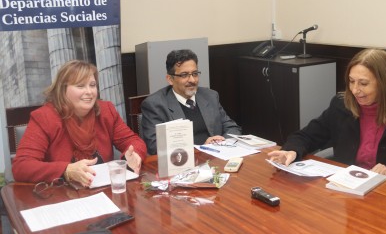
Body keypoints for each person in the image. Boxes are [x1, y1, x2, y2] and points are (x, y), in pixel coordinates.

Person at [269, 48, 386, 183]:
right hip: (346, 187)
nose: (355, 90)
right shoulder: (341, 105)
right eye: (351, 81)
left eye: (364, 83)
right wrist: (291, 150)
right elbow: (308, 135)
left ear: (383, 83)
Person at [12, 60, 147, 186]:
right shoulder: (45, 117)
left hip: (104, 191)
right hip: (63, 196)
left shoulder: (106, 111)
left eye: (92, 85)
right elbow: (21, 167)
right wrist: (66, 170)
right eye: (80, 86)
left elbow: (133, 141)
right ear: (63, 90)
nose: (89, 92)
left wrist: (134, 155)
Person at [141, 49, 242, 154]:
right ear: (170, 79)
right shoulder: (155, 105)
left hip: (217, 157)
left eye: (195, 74)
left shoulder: (210, 96)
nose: (192, 80)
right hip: (183, 164)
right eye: (184, 75)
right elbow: (155, 147)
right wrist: (202, 148)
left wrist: (221, 142)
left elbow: (232, 128)